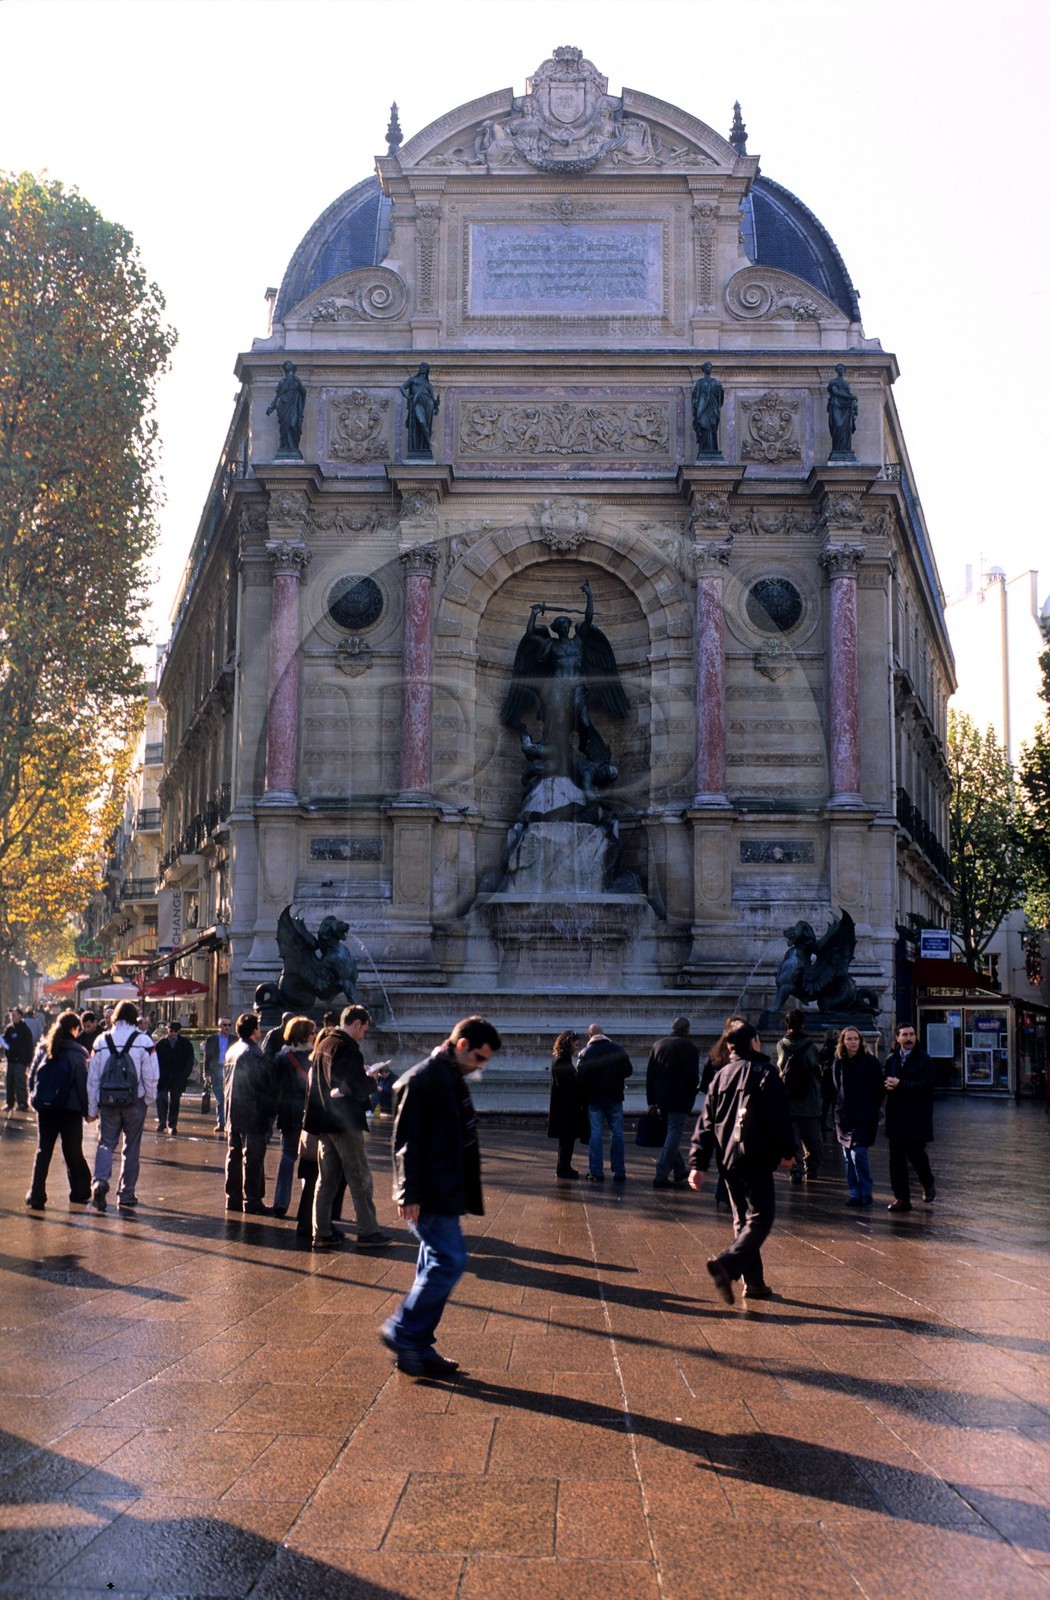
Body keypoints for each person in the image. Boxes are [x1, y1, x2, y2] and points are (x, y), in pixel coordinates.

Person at [382, 1015, 502, 1376]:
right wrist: (409, 1193)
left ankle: (416, 1349)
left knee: (431, 1264)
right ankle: (402, 1331)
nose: (480, 1066)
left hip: (444, 1187)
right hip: (430, 1190)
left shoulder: (449, 1075)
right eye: (479, 1057)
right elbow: (406, 1142)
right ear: (462, 1045)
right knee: (449, 1261)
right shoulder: (425, 1079)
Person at [688, 1021, 795, 1305]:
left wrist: (698, 1163)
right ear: (753, 1043)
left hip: (727, 1159)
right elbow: (778, 1117)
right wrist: (788, 1150)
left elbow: (705, 1121)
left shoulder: (721, 1075)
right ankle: (727, 1263)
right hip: (756, 1156)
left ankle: (755, 1282)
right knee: (762, 1217)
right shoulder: (766, 1072)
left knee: (742, 1220)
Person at [306, 1004, 391, 1251]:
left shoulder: (323, 1043)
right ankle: (368, 1231)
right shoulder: (347, 1048)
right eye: (363, 1029)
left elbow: (328, 1082)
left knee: (326, 1180)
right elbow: (349, 1085)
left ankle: (320, 1233)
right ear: (356, 1024)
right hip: (345, 1122)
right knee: (359, 1177)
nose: (364, 1034)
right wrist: (371, 1081)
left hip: (325, 1122)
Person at [87, 1001, 159, 1211]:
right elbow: (152, 1075)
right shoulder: (144, 1041)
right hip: (134, 1102)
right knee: (132, 1147)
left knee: (106, 1143)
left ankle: (100, 1181)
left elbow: (93, 1079)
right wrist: (148, 1099)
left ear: (114, 1017)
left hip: (108, 1102)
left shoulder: (101, 1041)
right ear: (134, 1017)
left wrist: (92, 1109)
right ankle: (126, 1193)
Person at [25, 1010, 92, 1209]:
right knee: (72, 1151)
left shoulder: (44, 1048)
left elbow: (32, 1076)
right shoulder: (78, 1053)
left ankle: (36, 1195)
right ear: (74, 1029)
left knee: (43, 1151)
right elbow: (82, 1083)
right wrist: (87, 1109)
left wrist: (35, 1099)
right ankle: (79, 1192)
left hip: (46, 1109)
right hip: (69, 1110)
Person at [224, 1012, 279, 1215]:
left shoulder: (232, 1050)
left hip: (233, 1110)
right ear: (255, 1030)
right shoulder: (253, 1053)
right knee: (253, 1158)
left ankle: (233, 1198)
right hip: (252, 1111)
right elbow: (263, 1084)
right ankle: (253, 1199)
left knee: (234, 1156)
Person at [883, 1022, 936, 1211]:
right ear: (897, 1038)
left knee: (916, 1154)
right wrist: (888, 1086)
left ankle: (927, 1182)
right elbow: (888, 1081)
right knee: (896, 1160)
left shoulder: (924, 1060)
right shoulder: (892, 1060)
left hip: (917, 1117)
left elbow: (926, 1086)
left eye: (911, 1034)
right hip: (896, 1116)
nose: (909, 1038)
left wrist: (900, 1084)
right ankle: (901, 1198)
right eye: (904, 1035)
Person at [645, 1016, 700, 1189]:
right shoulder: (689, 1047)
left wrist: (651, 1101)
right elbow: (692, 1076)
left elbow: (650, 1075)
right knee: (674, 1134)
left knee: (671, 1133)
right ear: (687, 1030)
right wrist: (695, 1090)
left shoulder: (658, 1044)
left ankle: (679, 1169)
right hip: (680, 1098)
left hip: (662, 1098)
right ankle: (660, 1174)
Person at [832, 1026, 884, 1206]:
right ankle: (854, 1192)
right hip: (845, 1116)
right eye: (849, 1039)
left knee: (859, 1153)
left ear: (860, 1041)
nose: (852, 1042)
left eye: (855, 1039)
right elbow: (835, 1086)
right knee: (848, 1156)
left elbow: (879, 1088)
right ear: (843, 1042)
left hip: (864, 1115)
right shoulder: (839, 1062)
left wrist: (872, 1109)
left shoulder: (870, 1061)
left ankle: (866, 1190)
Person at [576, 1021, 633, 1183]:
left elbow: (580, 1078)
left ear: (590, 1036)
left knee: (596, 1134)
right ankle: (619, 1171)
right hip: (615, 1097)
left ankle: (596, 1172)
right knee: (618, 1134)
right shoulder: (618, 1049)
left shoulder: (585, 1053)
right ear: (603, 1033)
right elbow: (629, 1070)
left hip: (594, 1100)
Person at [273, 1015, 314, 1218]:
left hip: (288, 1113)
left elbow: (273, 1086)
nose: (315, 1036)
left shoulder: (281, 1057)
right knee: (311, 1160)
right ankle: (307, 1207)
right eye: (312, 1032)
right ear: (305, 1035)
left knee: (287, 1156)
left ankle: (281, 1201)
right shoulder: (314, 1056)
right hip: (310, 1114)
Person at [775, 1010, 824, 1182]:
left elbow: (780, 1068)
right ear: (802, 1024)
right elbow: (815, 1067)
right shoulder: (810, 1045)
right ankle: (811, 1168)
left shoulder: (781, 1044)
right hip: (809, 1098)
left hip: (788, 1098)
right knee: (812, 1139)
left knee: (793, 1138)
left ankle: (795, 1170)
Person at [547, 1029, 587, 1180]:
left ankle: (564, 1166)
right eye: (575, 1044)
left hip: (565, 1108)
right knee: (566, 1140)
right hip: (565, 1109)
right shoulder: (561, 1061)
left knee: (567, 1140)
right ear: (568, 1044)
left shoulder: (561, 1059)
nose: (576, 1047)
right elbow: (568, 1085)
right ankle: (563, 1168)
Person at [154, 1019, 196, 1136]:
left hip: (178, 1076)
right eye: (171, 1030)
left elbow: (190, 1060)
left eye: (175, 1031)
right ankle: (162, 1122)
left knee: (175, 1101)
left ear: (179, 1031)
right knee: (161, 1099)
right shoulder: (161, 1044)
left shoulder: (185, 1044)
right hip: (163, 1077)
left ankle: (172, 1124)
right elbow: (154, 1061)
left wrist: (185, 1075)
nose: (173, 1033)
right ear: (167, 1030)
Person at [266, 359, 306, 453]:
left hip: (293, 404)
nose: (288, 366)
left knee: (293, 424)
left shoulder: (296, 379)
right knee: (284, 427)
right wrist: (271, 407)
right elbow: (278, 395)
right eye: (286, 365)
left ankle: (294, 447)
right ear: (284, 368)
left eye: (290, 364)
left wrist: (299, 383)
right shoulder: (282, 382)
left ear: (292, 367)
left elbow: (303, 392)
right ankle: (284, 446)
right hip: (283, 404)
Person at [399, 362, 439, 455]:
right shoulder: (413, 379)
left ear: (427, 370)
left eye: (425, 367)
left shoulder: (428, 385)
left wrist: (436, 405)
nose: (422, 368)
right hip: (417, 402)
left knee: (426, 422)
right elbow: (402, 388)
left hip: (428, 402)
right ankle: (428, 441)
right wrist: (408, 397)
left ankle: (425, 444)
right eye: (421, 367)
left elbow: (432, 397)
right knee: (421, 421)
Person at [204, 1018, 233, 1132]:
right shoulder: (212, 1039)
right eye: (225, 1025)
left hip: (229, 1070)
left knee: (229, 1097)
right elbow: (207, 1057)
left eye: (229, 1025)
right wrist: (206, 1073)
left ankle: (229, 1123)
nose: (227, 1027)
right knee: (220, 1097)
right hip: (216, 1069)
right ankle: (221, 1123)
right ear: (219, 1026)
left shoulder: (234, 1039)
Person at [3, 1007, 33, 1111]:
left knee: (19, 1081)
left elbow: (29, 1045)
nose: (12, 1017)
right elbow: (5, 1042)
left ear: (20, 1016)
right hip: (11, 1060)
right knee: (9, 1081)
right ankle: (9, 1103)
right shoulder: (9, 1029)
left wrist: (29, 1060)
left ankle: (23, 1103)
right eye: (11, 1015)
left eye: (14, 1015)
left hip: (21, 1060)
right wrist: (6, 1050)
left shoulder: (24, 1029)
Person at [691, 361, 724, 455]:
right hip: (703, 408)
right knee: (704, 426)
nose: (709, 368)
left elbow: (718, 397)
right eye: (707, 367)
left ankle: (713, 449)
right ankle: (705, 449)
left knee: (713, 426)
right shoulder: (700, 382)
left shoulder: (714, 381)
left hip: (712, 407)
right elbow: (695, 396)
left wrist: (721, 391)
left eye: (710, 367)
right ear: (704, 369)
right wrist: (696, 405)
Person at [827, 363, 858, 456]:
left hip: (846, 406)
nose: (840, 370)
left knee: (847, 428)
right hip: (836, 404)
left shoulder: (846, 383)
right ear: (836, 371)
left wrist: (852, 400)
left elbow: (848, 393)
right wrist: (850, 396)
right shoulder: (833, 382)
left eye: (841, 369)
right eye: (838, 369)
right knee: (838, 424)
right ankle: (836, 448)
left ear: (844, 371)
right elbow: (835, 392)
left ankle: (844, 448)